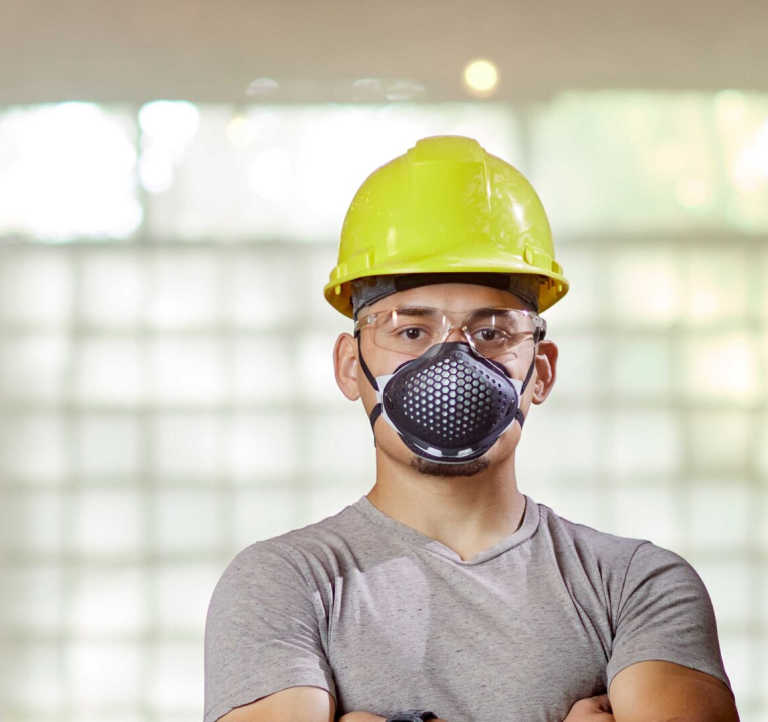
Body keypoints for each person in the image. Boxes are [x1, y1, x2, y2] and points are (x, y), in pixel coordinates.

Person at [202, 136, 738, 722]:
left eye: (492, 333)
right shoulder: (285, 585)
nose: (452, 363)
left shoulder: (637, 585)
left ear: (542, 371)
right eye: (410, 332)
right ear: (350, 366)